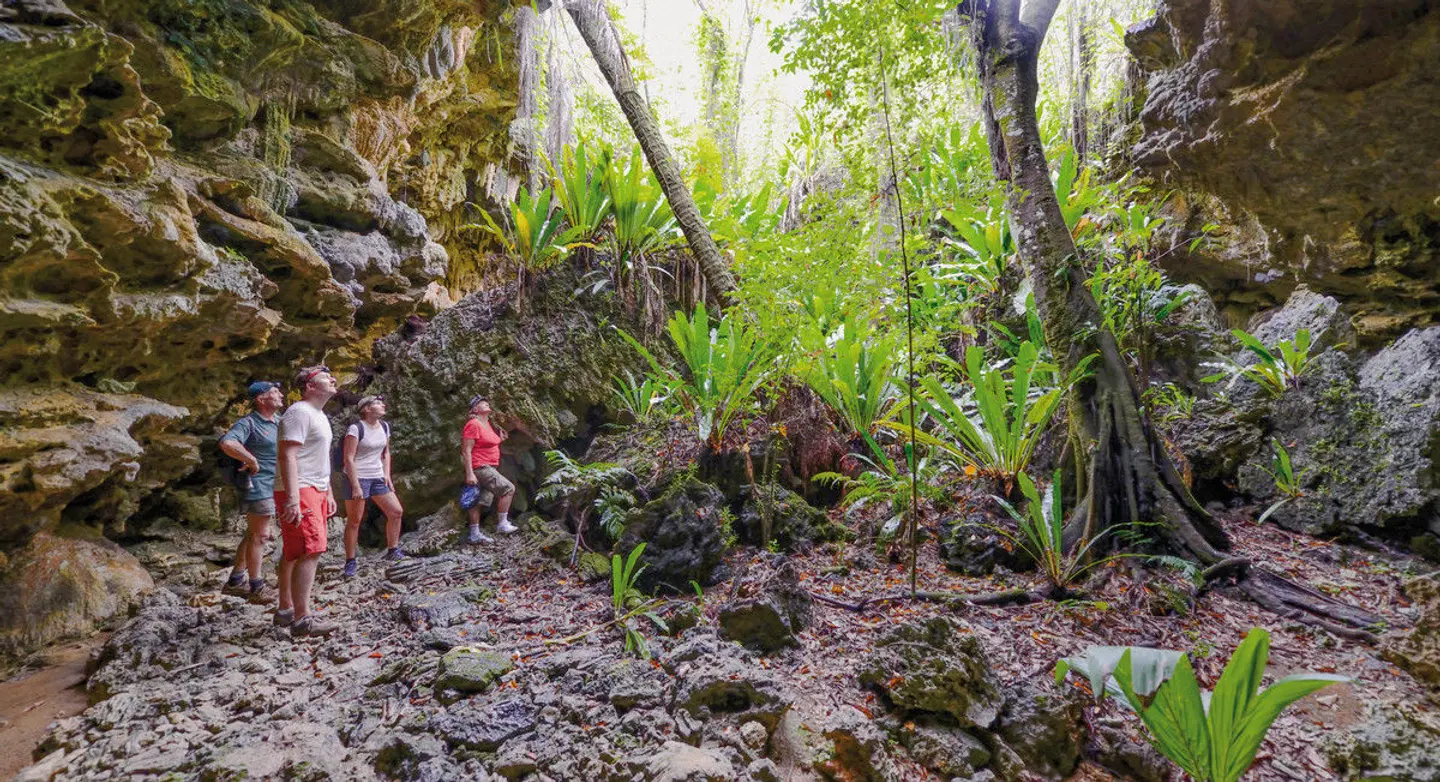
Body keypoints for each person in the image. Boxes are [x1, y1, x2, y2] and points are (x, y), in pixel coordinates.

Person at [275, 365, 339, 637]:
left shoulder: (319, 415)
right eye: (326, 377)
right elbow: (287, 455)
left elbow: (319, 458)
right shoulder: (299, 412)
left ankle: (285, 610)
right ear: (310, 386)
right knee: (311, 550)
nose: (333, 379)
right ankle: (302, 619)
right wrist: (292, 498)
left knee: (294, 550)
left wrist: (329, 492)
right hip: (300, 488)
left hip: (315, 487)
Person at [219, 381, 282, 603]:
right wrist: (251, 459)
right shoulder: (249, 423)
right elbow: (228, 443)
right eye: (275, 392)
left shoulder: (279, 422)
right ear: (261, 399)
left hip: (275, 485)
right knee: (261, 535)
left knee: (253, 533)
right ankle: (256, 587)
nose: (280, 395)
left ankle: (236, 580)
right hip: (258, 485)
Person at [339, 395, 404, 578]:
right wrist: (356, 485)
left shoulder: (384, 426)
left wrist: (387, 474)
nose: (382, 405)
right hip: (357, 476)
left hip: (377, 476)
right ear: (366, 409)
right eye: (377, 403)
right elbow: (348, 458)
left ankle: (393, 550)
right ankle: (350, 561)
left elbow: (386, 453)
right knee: (354, 520)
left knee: (396, 511)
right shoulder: (356, 428)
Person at [461, 395, 518, 544]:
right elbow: (466, 450)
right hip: (480, 466)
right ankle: (502, 524)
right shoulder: (473, 424)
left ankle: (474, 534)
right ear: (475, 409)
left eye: (486, 402)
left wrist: (500, 440)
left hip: (489, 465)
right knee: (508, 489)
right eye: (481, 403)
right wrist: (470, 473)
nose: (485, 403)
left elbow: (488, 443)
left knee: (479, 500)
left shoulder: (487, 424)